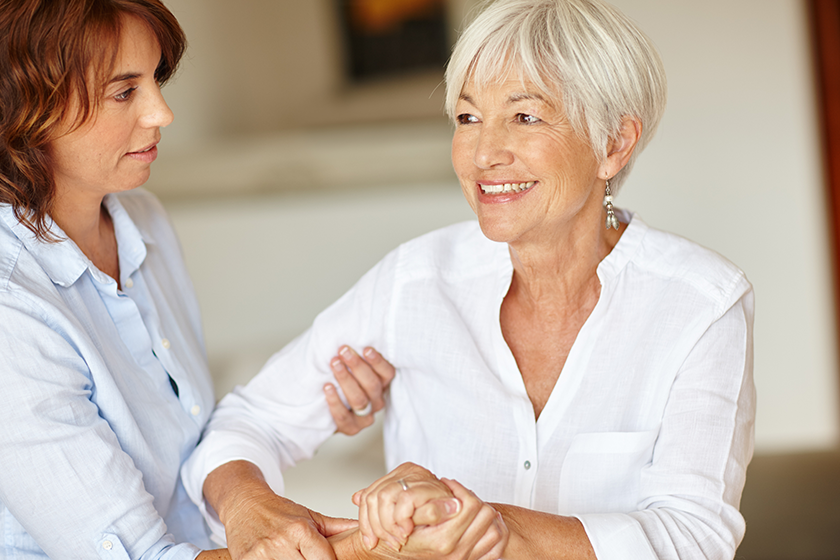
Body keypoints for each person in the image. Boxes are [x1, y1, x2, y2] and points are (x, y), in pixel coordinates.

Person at [182, 0, 755, 558]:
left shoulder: (701, 304)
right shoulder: (416, 282)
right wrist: (250, 507)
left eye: (525, 117)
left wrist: (481, 522)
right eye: (468, 117)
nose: (483, 153)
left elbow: (692, 538)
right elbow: (248, 422)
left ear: (613, 144)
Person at [0, 1, 390, 558]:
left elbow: (185, 447)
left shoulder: (144, 220)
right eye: (124, 92)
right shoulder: (10, 306)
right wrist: (386, 545)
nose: (162, 113)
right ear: (25, 107)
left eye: (155, 80)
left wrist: (299, 423)